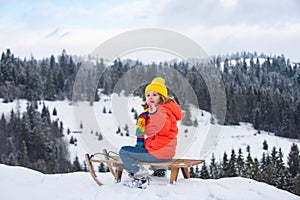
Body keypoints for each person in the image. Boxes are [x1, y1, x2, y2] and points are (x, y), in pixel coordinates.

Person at [119, 77, 183, 188]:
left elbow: (163, 127)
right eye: (148, 95)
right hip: (166, 152)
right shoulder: (166, 109)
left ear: (161, 97)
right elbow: (156, 134)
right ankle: (159, 172)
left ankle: (140, 177)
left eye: (154, 94)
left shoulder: (160, 111)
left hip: (158, 153)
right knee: (142, 148)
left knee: (124, 151)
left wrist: (154, 113)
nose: (151, 97)